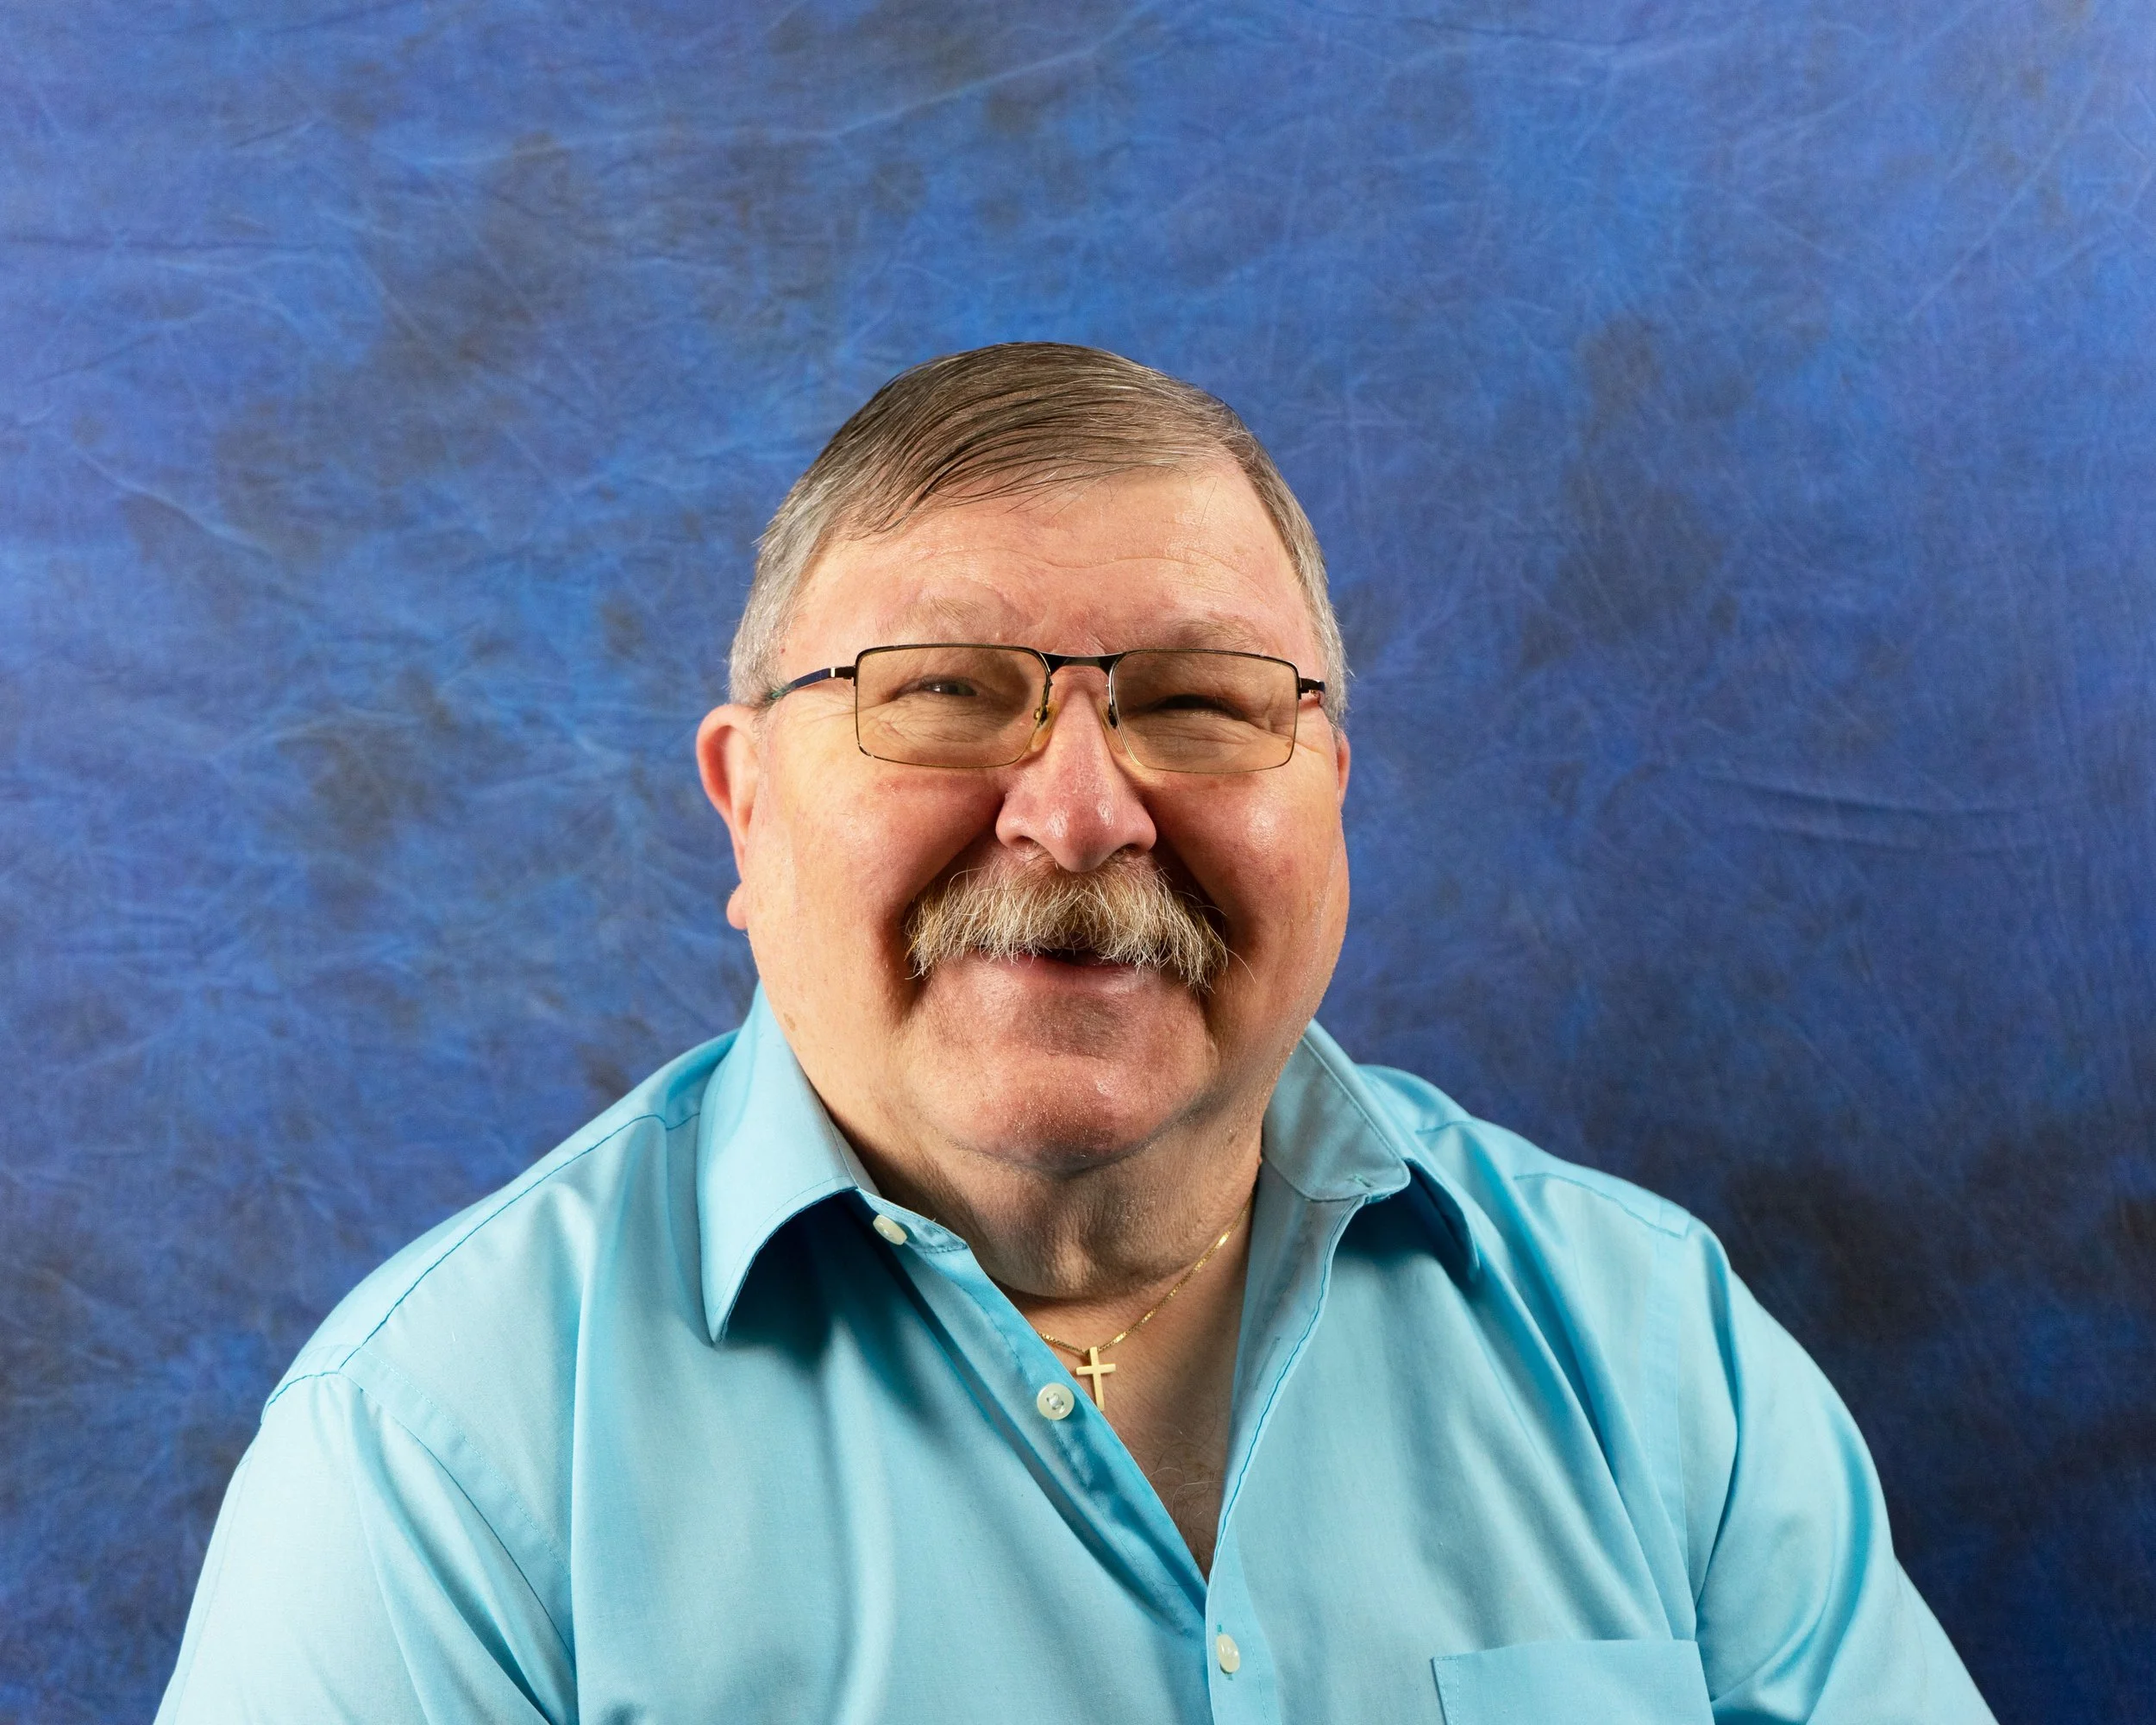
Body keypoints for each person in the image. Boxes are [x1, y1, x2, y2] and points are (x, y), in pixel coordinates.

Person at [156, 343, 1994, 1723]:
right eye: (944, 695)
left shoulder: (1654, 1352)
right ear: (744, 809)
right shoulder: (430, 1457)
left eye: (1200, 703)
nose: (1081, 810)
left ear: (1330, 793)